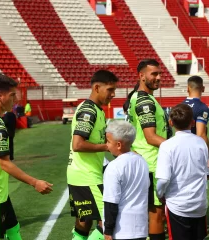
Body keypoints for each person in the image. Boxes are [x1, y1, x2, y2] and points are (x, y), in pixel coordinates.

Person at [0, 73, 53, 240]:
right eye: (13, 95)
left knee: (13, 228)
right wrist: (35, 182)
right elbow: (5, 164)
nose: (16, 100)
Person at [68, 70, 118, 240]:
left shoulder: (97, 110)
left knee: (84, 221)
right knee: (109, 220)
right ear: (97, 87)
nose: (113, 94)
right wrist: (106, 147)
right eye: (110, 89)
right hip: (87, 176)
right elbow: (78, 144)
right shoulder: (89, 111)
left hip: (83, 173)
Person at [127, 59, 170, 240]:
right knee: (156, 214)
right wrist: (178, 147)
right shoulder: (145, 100)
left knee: (149, 212)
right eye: (154, 74)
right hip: (151, 164)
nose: (158, 78)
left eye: (159, 74)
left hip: (145, 161)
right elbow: (150, 137)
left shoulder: (140, 97)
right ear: (141, 76)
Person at [156, 104, 209, 240]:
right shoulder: (201, 143)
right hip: (199, 204)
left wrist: (160, 194)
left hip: (177, 206)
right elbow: (206, 173)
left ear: (170, 122)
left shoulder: (167, 146)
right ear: (192, 122)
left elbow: (163, 179)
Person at [103, 121, 149, 240]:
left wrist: (108, 231)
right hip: (141, 228)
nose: (106, 145)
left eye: (108, 141)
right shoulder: (142, 162)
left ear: (118, 144)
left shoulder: (113, 167)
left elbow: (111, 202)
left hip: (121, 231)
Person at [182, 76, 209, 170]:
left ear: (187, 88)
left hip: (179, 150)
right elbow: (201, 134)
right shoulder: (201, 107)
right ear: (203, 88)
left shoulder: (180, 106)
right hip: (194, 152)